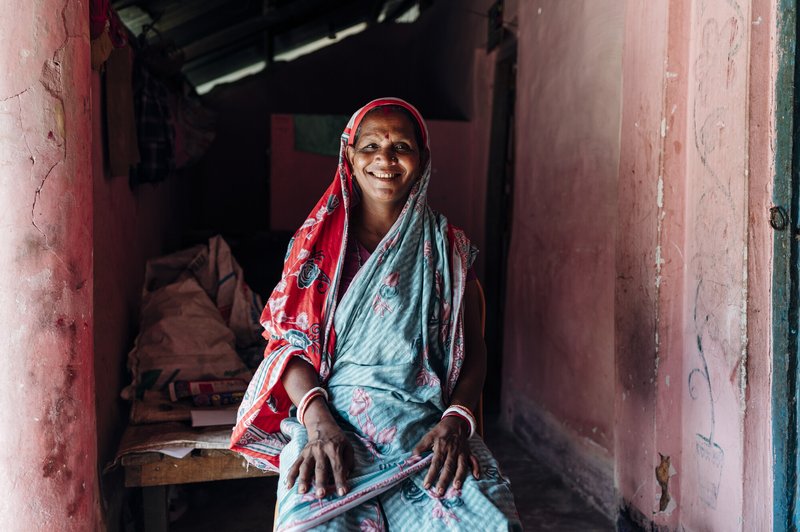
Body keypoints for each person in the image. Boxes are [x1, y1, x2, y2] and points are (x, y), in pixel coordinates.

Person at [231, 98, 520, 531]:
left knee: (488, 519)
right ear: (349, 154)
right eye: (370, 147)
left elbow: (473, 348)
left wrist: (457, 421)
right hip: (333, 420)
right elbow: (285, 349)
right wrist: (318, 423)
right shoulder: (314, 247)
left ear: (422, 160)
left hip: (426, 426)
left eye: (401, 146)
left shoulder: (448, 247)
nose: (385, 159)